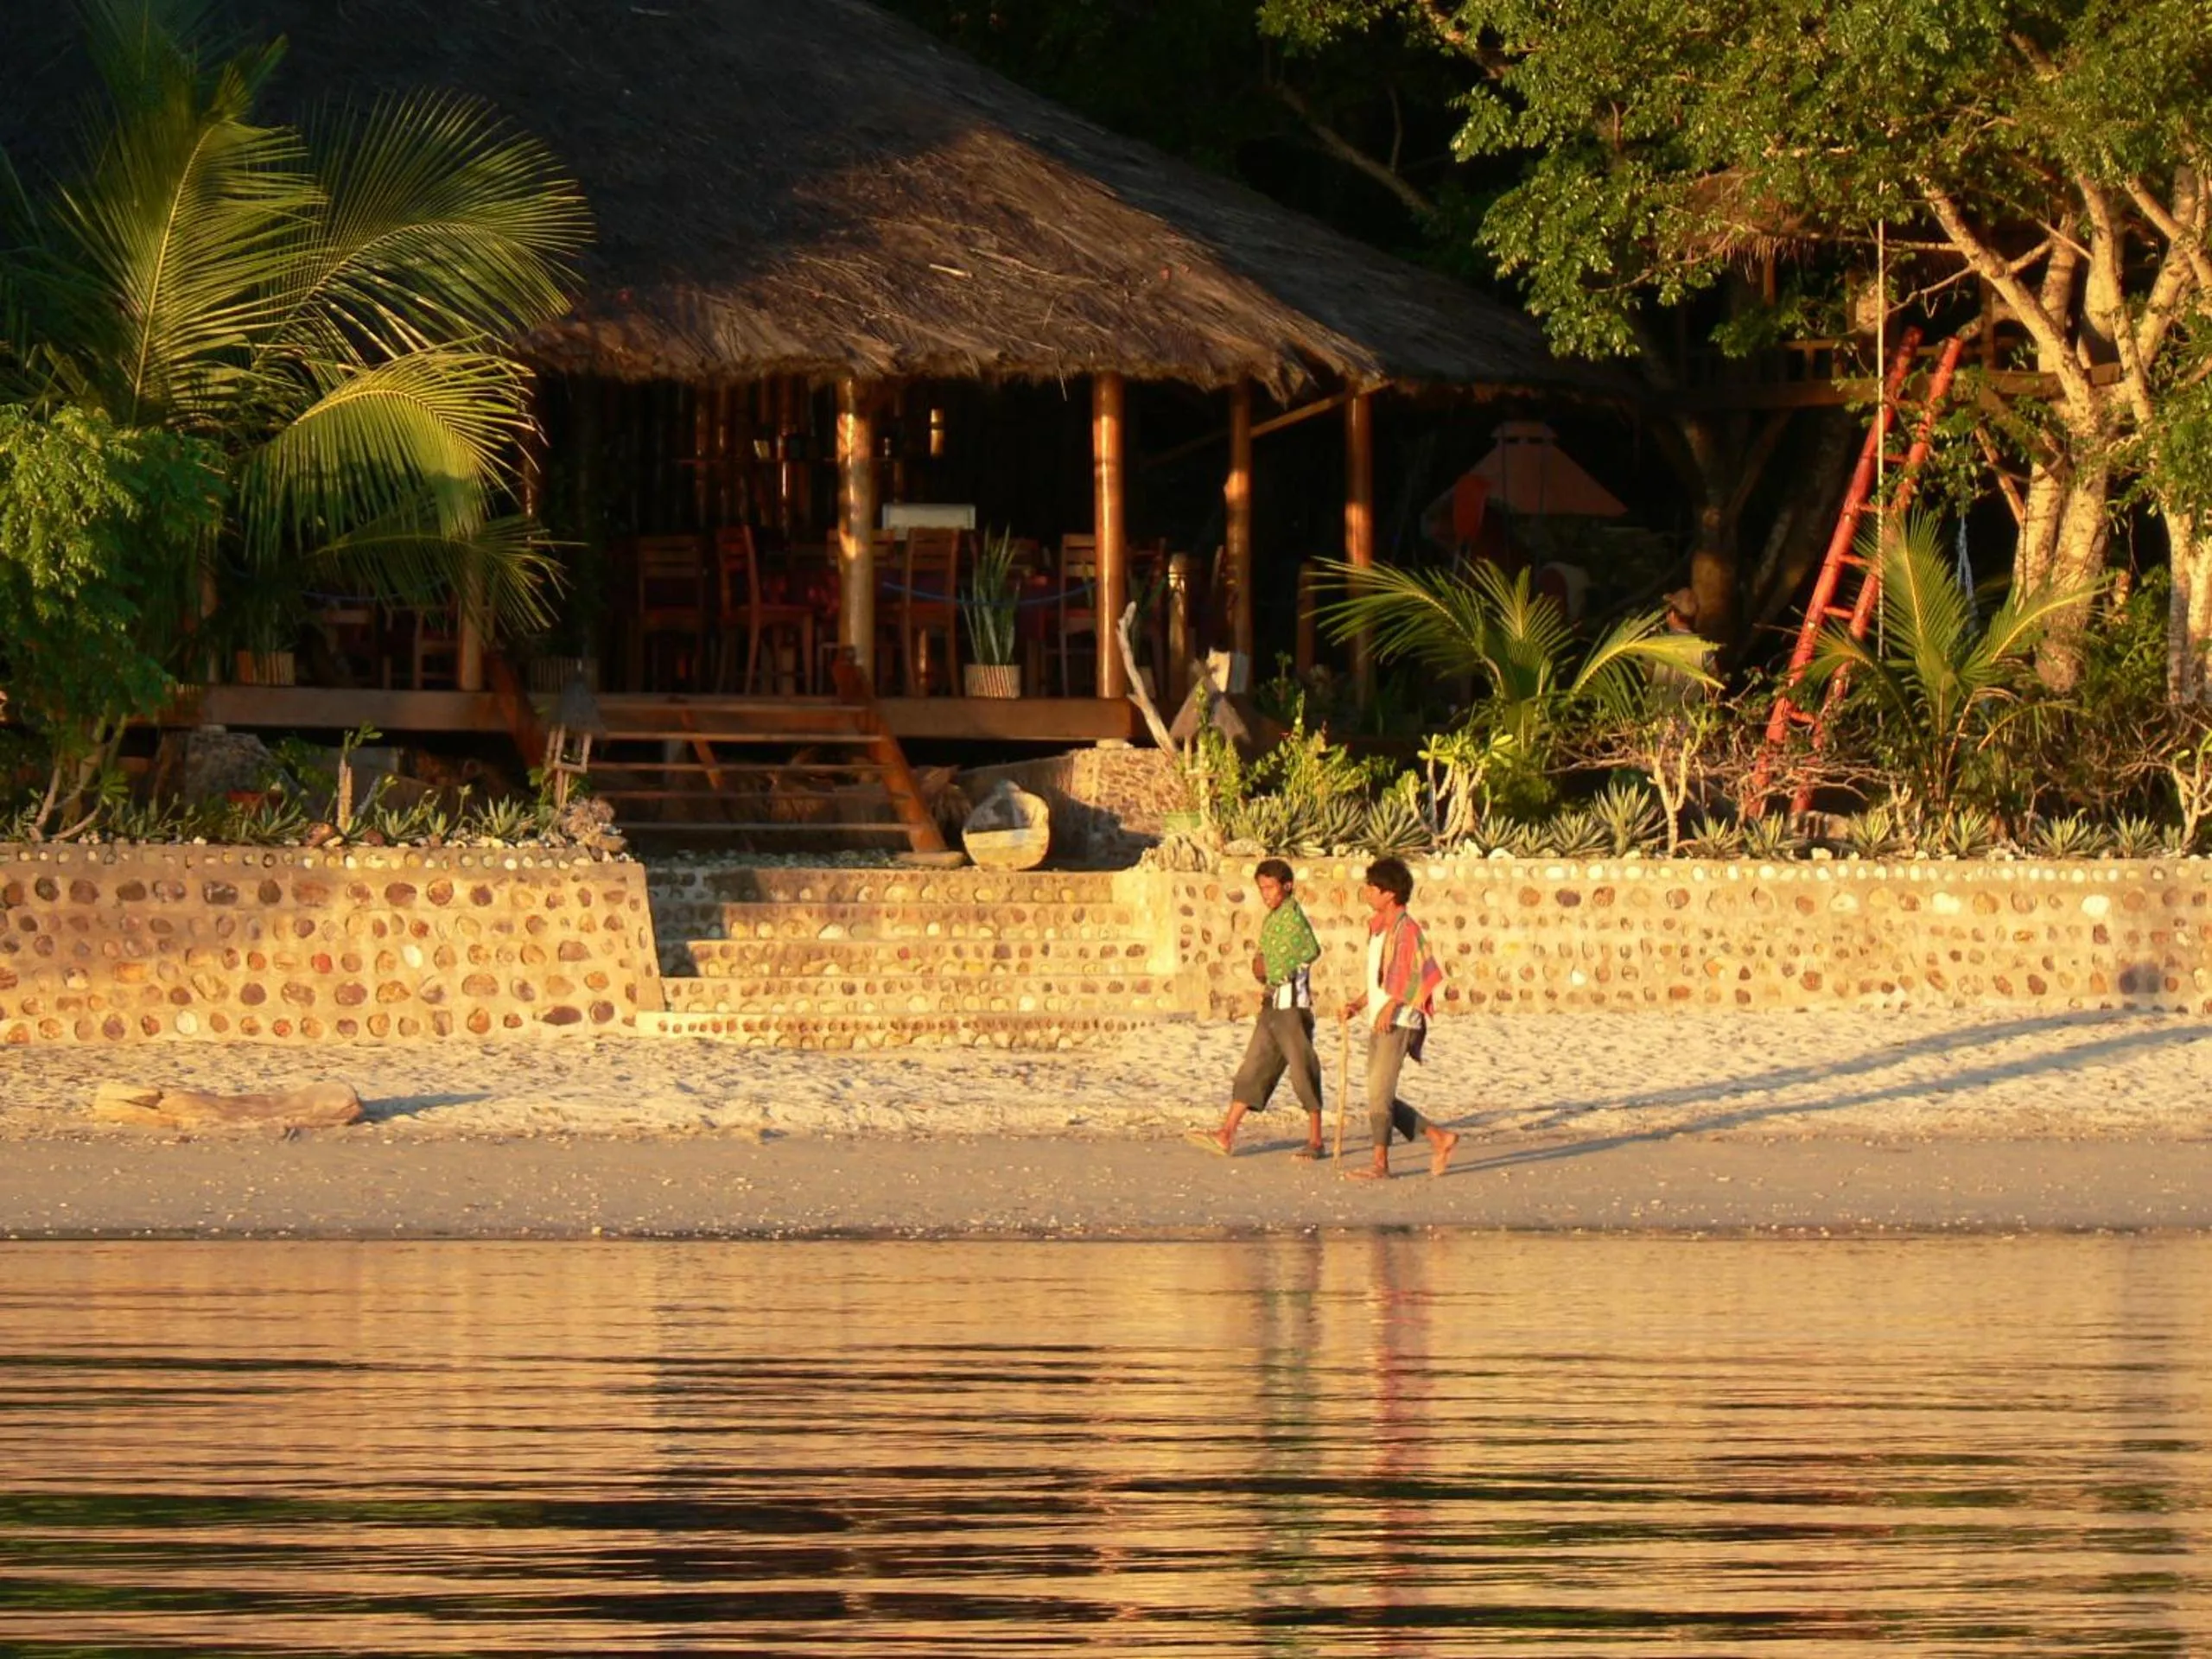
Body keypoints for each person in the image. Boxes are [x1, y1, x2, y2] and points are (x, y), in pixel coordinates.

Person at [1190, 858, 1326, 1159]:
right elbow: (1265, 957)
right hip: (1271, 1005)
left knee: (1302, 1071)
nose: (1265, 894)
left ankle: (1316, 1139)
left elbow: (1309, 951)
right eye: (1261, 888)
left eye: (1269, 887)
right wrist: (1262, 968)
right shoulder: (1273, 919)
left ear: (1286, 887)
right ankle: (1227, 1132)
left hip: (1292, 1007)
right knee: (1253, 1067)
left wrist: (1274, 968)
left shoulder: (1293, 919)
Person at [1339, 857, 1459, 1179]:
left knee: (1379, 1094)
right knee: (1380, 1094)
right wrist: (1360, 1004)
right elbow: (1381, 977)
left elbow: (1414, 976)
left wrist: (1390, 1007)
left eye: (1372, 887)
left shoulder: (1408, 931)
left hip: (1400, 1019)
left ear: (1389, 893)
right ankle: (1439, 1137)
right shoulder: (1379, 928)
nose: (1366, 892)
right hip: (1381, 1016)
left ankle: (1381, 1164)